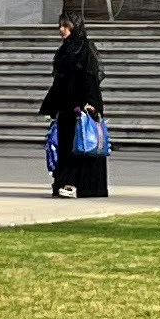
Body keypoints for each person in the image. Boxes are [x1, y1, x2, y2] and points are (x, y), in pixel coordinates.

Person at [43, 16, 109, 199]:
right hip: (66, 107)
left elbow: (90, 79)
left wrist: (91, 105)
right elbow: (60, 82)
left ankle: (77, 184)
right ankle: (64, 181)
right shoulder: (64, 51)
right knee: (66, 145)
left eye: (66, 26)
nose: (62, 30)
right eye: (60, 26)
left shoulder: (86, 50)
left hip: (81, 107)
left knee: (81, 143)